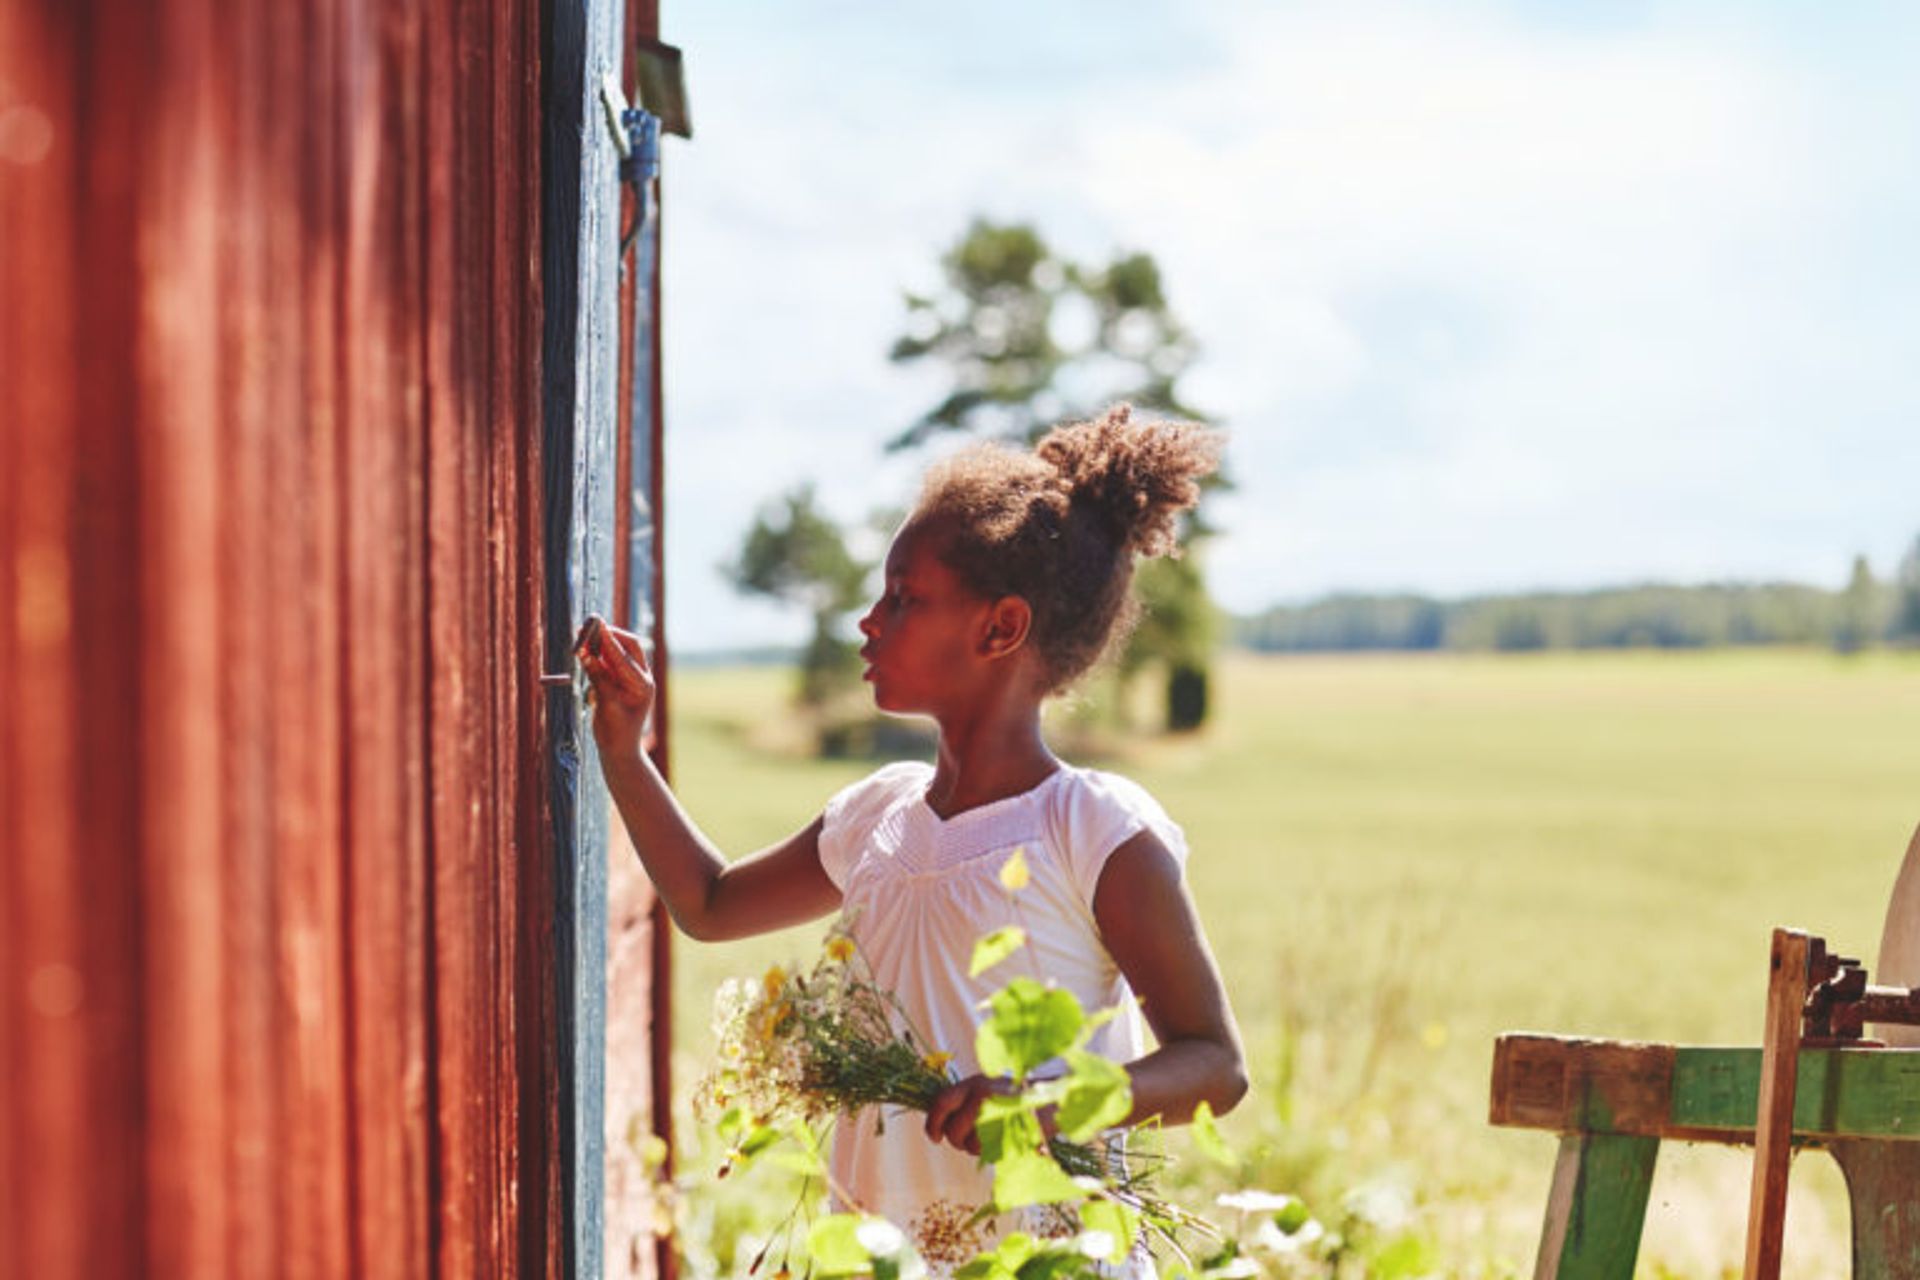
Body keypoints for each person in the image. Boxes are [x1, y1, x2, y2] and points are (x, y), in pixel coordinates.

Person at [576, 404, 1248, 1270]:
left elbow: (1214, 1066)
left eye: (905, 598)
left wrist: (1048, 1101)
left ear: (1001, 628)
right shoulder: (874, 818)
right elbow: (706, 904)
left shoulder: (1093, 831)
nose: (869, 620)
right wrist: (625, 750)